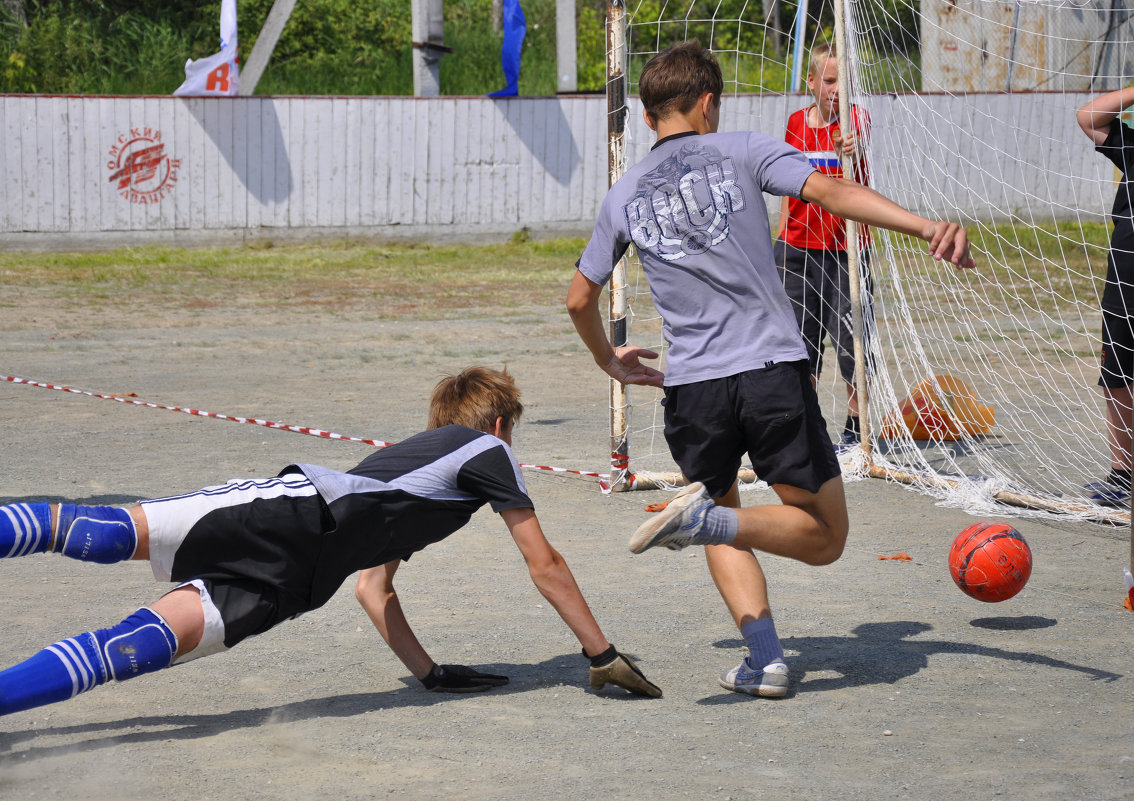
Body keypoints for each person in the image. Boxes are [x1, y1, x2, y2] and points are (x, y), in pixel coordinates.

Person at [566, 41, 975, 698]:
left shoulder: (622, 195)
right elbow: (832, 192)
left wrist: (608, 358)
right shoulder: (746, 149)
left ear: (646, 119)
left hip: (693, 390)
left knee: (718, 510)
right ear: (708, 105)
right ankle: (711, 535)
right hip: (771, 372)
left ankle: (766, 660)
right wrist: (925, 226)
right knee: (825, 535)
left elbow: (578, 297)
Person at [0, 366, 662, 717]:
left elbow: (375, 587)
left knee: (133, 642)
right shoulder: (488, 448)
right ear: (497, 422)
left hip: (299, 565)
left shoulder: (420, 477)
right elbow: (543, 562)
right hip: (293, 528)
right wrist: (598, 651)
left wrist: (431, 673)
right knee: (105, 536)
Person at [774, 42, 873, 452]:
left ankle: (857, 428)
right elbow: (785, 186)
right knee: (800, 344)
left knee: (851, 343)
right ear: (812, 81)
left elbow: (859, 162)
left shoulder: (855, 123)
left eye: (842, 81)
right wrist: (779, 239)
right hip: (798, 249)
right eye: (830, 80)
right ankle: (807, 427)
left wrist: (852, 148)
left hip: (844, 249)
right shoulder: (796, 123)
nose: (836, 88)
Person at [1076, 87, 1134, 611]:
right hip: (1127, 274)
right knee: (1116, 372)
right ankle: (1123, 473)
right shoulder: (1131, 145)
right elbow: (1088, 117)